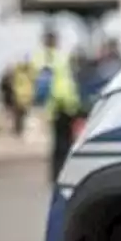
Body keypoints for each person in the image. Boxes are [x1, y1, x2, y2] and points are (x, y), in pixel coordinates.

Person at [30, 29, 82, 184]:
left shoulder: (42, 58)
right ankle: (62, 174)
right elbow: (54, 83)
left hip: (58, 105)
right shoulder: (53, 58)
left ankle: (57, 174)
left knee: (59, 142)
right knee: (64, 142)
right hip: (62, 104)